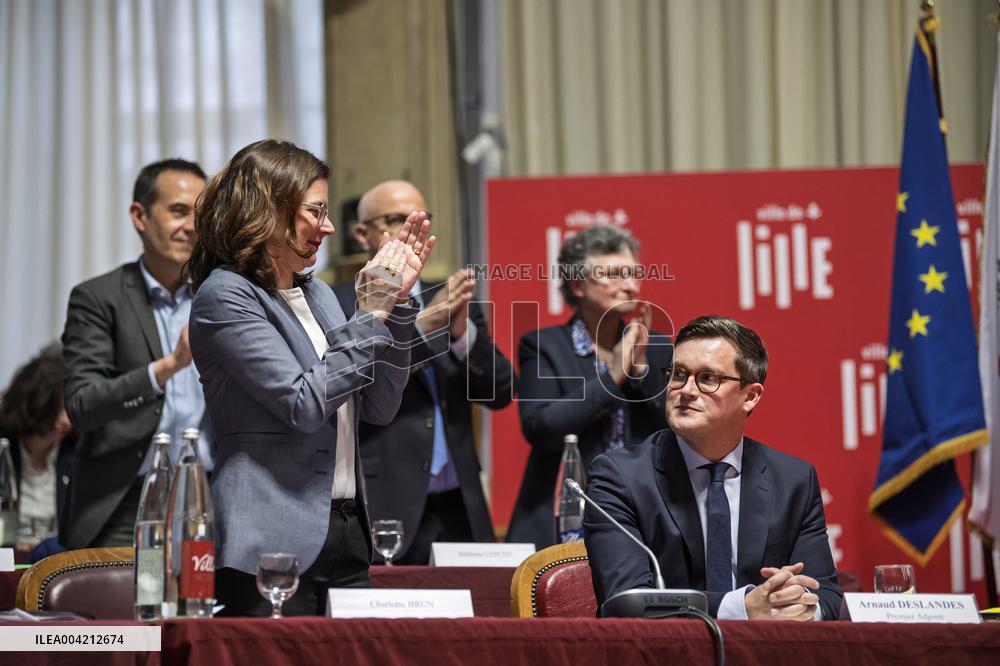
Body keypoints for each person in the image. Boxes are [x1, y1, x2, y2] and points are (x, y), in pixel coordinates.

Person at [188, 141, 434, 616]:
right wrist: (371, 311)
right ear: (268, 210)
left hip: (346, 528)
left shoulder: (317, 293)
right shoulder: (226, 295)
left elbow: (379, 407)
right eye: (316, 210)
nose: (327, 226)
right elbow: (303, 404)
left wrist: (397, 306)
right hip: (269, 538)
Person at [584, 315, 843, 620]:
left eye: (708, 378)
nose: (686, 390)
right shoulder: (620, 477)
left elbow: (825, 595)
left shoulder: (793, 480)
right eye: (678, 374)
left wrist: (796, 605)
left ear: (750, 396)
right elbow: (628, 601)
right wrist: (743, 608)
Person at [332, 180, 515, 565]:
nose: (413, 229)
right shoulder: (339, 303)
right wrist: (425, 325)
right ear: (361, 233)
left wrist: (463, 335)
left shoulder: (448, 294)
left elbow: (499, 392)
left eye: (422, 218)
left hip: (460, 501)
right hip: (386, 496)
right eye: (397, 219)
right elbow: (354, 383)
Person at [61, 159, 211, 549]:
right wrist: (167, 368)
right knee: (127, 610)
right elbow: (82, 404)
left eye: (201, 214)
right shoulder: (98, 298)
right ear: (139, 215)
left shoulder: (222, 296)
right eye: (179, 211)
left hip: (211, 494)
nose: (192, 226)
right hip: (129, 498)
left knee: (209, 609)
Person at [507, 224, 670, 549]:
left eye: (633, 274)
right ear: (578, 284)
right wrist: (611, 377)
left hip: (641, 513)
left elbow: (676, 429)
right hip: (566, 515)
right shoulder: (544, 346)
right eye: (614, 274)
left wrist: (638, 370)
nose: (629, 286)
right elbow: (542, 428)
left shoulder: (658, 348)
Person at [0, 344, 75, 552]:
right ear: (34, 404)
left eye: (69, 409)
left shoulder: (75, 451)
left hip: (52, 565)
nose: (65, 421)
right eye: (56, 409)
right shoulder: (3, 446)